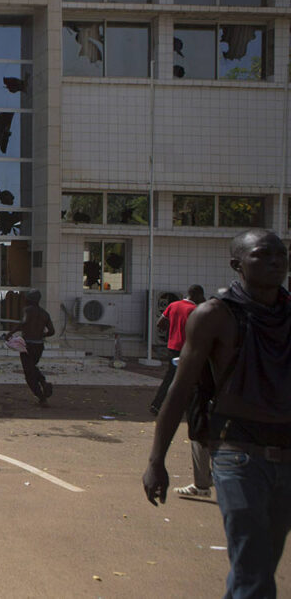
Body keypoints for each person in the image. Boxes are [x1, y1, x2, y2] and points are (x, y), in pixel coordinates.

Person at [143, 229, 291, 599]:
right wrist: (156, 460)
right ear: (236, 264)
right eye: (262, 255)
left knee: (257, 567)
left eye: (281, 254)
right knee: (254, 572)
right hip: (237, 454)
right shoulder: (214, 316)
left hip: (286, 453)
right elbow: (179, 390)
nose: (275, 261)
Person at [150, 285, 207, 415]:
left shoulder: (173, 305)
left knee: (170, 377)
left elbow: (160, 324)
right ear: (198, 295)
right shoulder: (195, 310)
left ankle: (156, 405)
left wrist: (174, 328)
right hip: (188, 349)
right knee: (192, 379)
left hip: (172, 347)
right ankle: (190, 409)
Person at [3, 289, 55, 404]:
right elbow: (52, 331)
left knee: (28, 373)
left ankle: (41, 396)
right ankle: (43, 382)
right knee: (32, 367)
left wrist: (10, 333)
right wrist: (42, 334)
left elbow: (23, 323)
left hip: (27, 345)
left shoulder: (27, 310)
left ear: (30, 300)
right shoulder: (45, 314)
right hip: (39, 346)